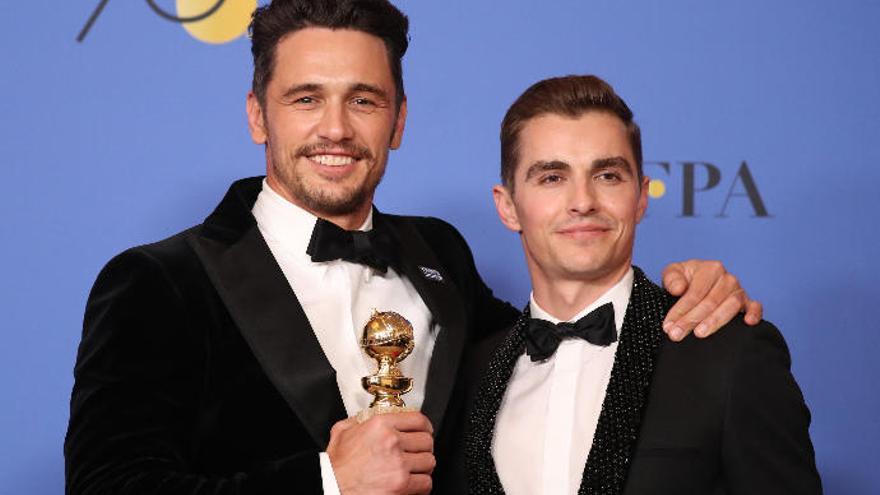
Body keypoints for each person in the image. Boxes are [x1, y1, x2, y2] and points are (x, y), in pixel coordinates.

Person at [64, 1, 762, 494]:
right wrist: (327, 480)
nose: (335, 128)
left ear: (398, 120)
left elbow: (556, 342)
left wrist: (682, 290)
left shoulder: (440, 254)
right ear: (258, 115)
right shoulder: (160, 282)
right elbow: (108, 485)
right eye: (306, 98)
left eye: (364, 100)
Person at [445, 75, 821, 494]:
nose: (583, 201)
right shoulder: (468, 374)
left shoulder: (730, 355)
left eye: (607, 175)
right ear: (508, 206)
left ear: (641, 197)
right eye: (552, 177)